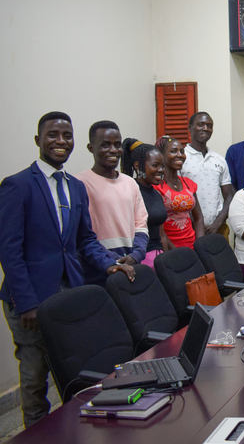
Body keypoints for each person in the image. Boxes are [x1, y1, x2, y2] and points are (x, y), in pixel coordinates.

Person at [0, 112, 134, 428]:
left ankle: (68, 429)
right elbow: (9, 251)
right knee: (34, 374)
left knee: (69, 364)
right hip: (29, 297)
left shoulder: (75, 187)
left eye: (67, 136)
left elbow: (85, 240)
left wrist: (110, 264)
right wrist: (27, 303)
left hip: (68, 291)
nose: (61, 142)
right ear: (38, 141)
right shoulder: (16, 186)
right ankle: (34, 431)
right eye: (52, 135)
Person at [75, 121, 148, 285]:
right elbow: (82, 236)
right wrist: (113, 261)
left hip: (131, 266)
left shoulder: (130, 183)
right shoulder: (79, 183)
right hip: (97, 270)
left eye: (117, 145)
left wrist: (136, 255)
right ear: (90, 147)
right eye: (105, 145)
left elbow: (141, 225)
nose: (113, 150)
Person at [121, 139, 174, 267]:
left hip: (158, 257)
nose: (160, 170)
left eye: (162, 166)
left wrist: (165, 264)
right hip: (140, 259)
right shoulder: (130, 192)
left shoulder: (156, 194)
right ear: (138, 166)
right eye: (155, 165)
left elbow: (161, 236)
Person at [181, 112, 234, 237]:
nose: (205, 128)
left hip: (217, 229)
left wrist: (217, 224)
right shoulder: (180, 157)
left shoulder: (219, 160)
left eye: (209, 126)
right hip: (188, 228)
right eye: (200, 125)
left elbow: (228, 197)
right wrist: (196, 224)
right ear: (190, 128)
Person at [154, 135, 205, 248]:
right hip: (169, 249)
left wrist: (200, 246)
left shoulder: (189, 183)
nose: (180, 155)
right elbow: (157, 227)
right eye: (173, 151)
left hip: (193, 247)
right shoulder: (156, 186)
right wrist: (175, 251)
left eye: (182, 151)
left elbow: (198, 217)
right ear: (161, 155)